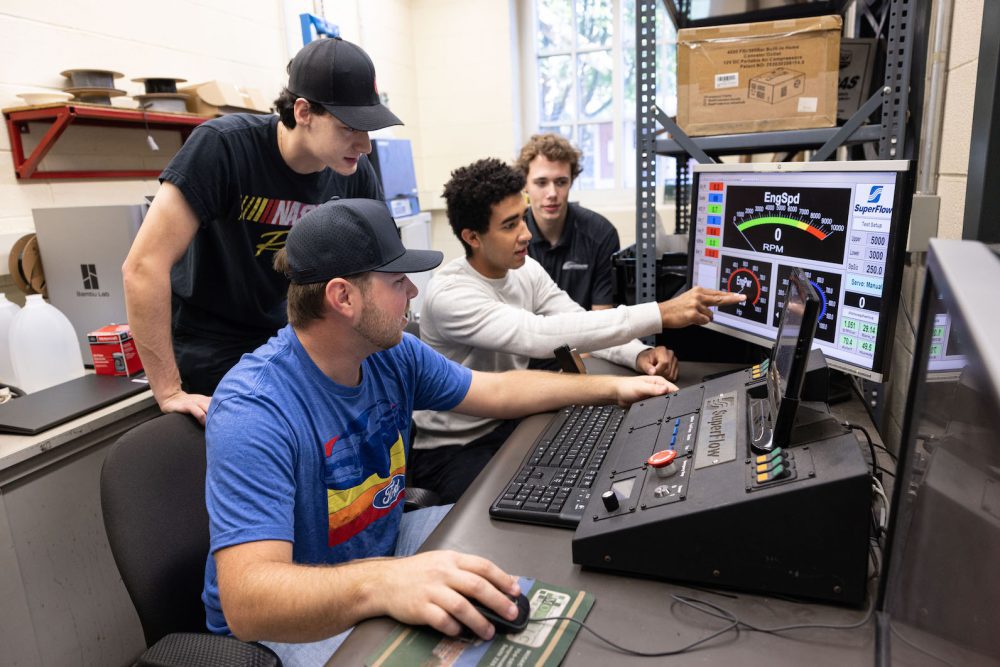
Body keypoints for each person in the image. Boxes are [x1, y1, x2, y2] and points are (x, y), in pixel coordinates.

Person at [203, 198, 675, 666]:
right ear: (342, 297)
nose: (412, 291)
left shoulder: (392, 354)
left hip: (383, 548)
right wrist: (385, 583)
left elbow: (495, 390)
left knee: (525, 555)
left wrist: (612, 387)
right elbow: (250, 604)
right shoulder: (255, 408)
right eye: (396, 281)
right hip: (292, 610)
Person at [411, 158, 745, 502]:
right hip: (453, 448)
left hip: (510, 419)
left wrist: (639, 354)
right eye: (510, 225)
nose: (526, 233)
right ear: (472, 237)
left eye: (522, 218)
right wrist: (661, 313)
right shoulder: (450, 294)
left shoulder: (524, 270)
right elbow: (539, 335)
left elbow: (575, 320)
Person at [123, 36, 401, 425]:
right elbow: (143, 267)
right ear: (303, 111)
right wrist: (168, 391)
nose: (365, 145)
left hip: (294, 338)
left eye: (369, 129)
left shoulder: (353, 172)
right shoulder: (223, 147)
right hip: (215, 344)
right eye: (350, 128)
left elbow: (381, 267)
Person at [516, 133, 620, 311]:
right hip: (528, 337)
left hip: (586, 337)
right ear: (525, 184)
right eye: (541, 183)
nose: (552, 193)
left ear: (571, 181)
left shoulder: (601, 233)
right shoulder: (510, 236)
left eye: (561, 182)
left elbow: (603, 319)